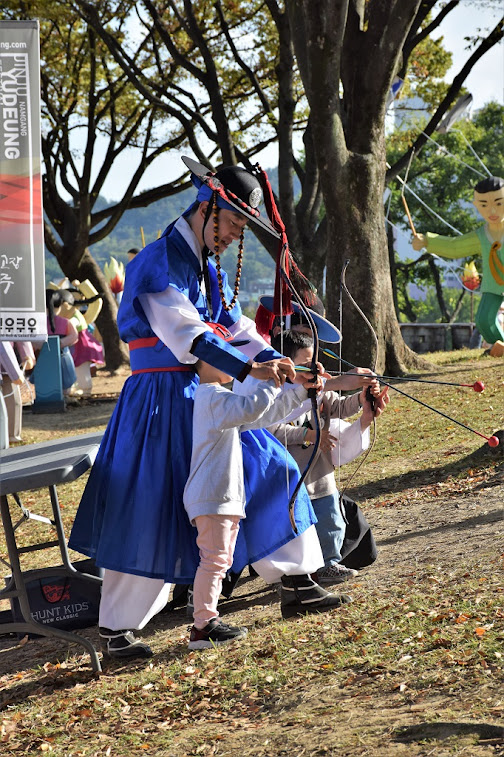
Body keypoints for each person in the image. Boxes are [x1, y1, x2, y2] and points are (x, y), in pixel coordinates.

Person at [68, 156, 352, 659]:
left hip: (211, 393)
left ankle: (296, 580)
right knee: (149, 506)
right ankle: (116, 629)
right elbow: (187, 335)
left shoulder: (208, 268)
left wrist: (276, 359)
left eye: (244, 226)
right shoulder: (157, 262)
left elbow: (237, 329)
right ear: (209, 206)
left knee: (272, 470)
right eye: (234, 222)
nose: (234, 235)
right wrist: (252, 371)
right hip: (160, 402)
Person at [185, 344, 325, 649]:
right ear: (206, 361)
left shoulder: (218, 398)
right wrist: (274, 380)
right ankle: (203, 626)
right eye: (227, 358)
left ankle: (205, 621)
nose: (237, 365)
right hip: (213, 496)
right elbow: (252, 407)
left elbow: (261, 415)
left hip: (221, 496)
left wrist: (298, 390)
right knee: (214, 560)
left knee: (217, 559)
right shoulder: (210, 397)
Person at [268, 330, 389, 583]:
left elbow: (339, 407)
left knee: (330, 517)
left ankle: (329, 563)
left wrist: (363, 396)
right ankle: (298, 572)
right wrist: (309, 435)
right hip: (292, 474)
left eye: (314, 360)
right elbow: (271, 430)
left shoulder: (319, 388)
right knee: (298, 525)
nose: (314, 367)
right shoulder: (276, 395)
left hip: (320, 472)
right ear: (288, 364)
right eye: (306, 361)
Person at [412, 175, 504, 349]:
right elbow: (455, 247)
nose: (492, 211)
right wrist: (427, 241)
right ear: (477, 205)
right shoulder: (482, 234)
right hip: (493, 285)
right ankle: (499, 346)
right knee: (484, 320)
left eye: (498, 203)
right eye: (484, 205)